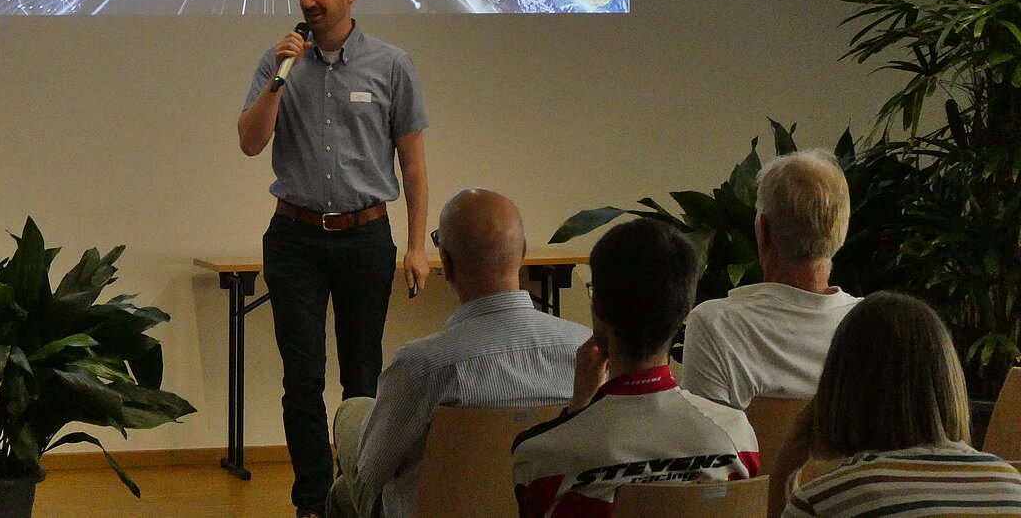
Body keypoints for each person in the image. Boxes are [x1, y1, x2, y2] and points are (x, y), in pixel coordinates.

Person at [238, 0, 430, 518]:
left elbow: (413, 163)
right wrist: (279, 78)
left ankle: (358, 495)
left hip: (365, 236)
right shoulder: (278, 62)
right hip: (294, 238)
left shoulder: (391, 64)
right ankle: (313, 502)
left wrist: (416, 245)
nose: (308, 2)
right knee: (302, 379)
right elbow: (250, 142)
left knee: (362, 377)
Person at [327, 188, 590, 518]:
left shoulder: (421, 366)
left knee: (352, 416)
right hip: (542, 509)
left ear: (447, 264)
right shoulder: (585, 350)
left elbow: (370, 473)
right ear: (522, 252)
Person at [512, 218, 759, 517]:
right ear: (686, 308)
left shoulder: (539, 456)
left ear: (598, 305)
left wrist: (578, 411)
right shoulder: (736, 437)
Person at [778, 291, 1021, 517]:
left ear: (839, 390)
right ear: (949, 384)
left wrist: (783, 475)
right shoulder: (1012, 486)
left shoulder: (826, 501)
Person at [681, 149, 861, 409]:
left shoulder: (715, 325)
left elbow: (705, 433)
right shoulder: (874, 328)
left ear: (763, 229)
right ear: (841, 231)